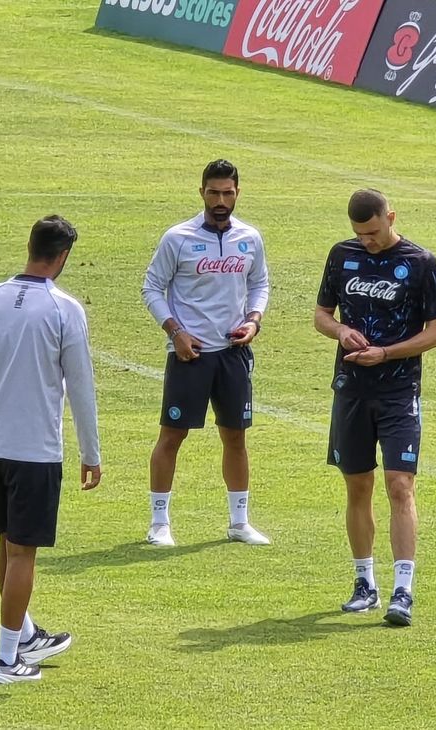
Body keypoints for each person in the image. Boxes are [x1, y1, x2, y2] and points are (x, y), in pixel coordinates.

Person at [0, 215, 102, 685]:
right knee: (23, 554)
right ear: (63, 257)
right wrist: (91, 453)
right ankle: (4, 661)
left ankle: (26, 636)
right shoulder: (63, 309)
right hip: (34, 449)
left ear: (30, 246)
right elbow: (80, 387)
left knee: (8, 544)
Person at [314, 189, 436, 627]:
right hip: (351, 389)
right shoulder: (342, 255)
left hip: (398, 392)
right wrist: (341, 331)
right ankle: (363, 584)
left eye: (373, 232)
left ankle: (403, 591)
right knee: (357, 487)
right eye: (360, 234)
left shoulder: (421, 263)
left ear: (390, 217)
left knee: (399, 485)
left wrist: (387, 354)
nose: (367, 241)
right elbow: (321, 315)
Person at [141, 159, 271, 548]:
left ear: (237, 193)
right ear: (201, 192)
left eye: (227, 193)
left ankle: (239, 522)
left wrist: (253, 320)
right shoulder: (177, 238)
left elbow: (260, 282)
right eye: (213, 193)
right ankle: (159, 523)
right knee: (172, 435)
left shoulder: (249, 237)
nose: (220, 200)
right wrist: (175, 331)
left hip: (232, 354)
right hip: (190, 355)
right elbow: (151, 288)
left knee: (236, 437)